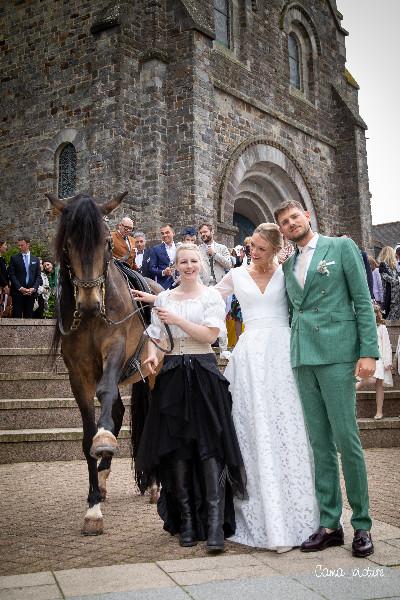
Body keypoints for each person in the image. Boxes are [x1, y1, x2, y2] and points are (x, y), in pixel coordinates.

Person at [275, 199, 379, 558]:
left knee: (346, 439)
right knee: (319, 444)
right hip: (304, 357)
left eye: (294, 217)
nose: (291, 224)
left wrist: (368, 352)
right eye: (284, 223)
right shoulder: (288, 264)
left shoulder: (341, 246)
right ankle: (330, 523)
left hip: (337, 353)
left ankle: (362, 524)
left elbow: (362, 301)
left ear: (306, 215)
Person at [134, 244, 246, 552]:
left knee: (210, 450)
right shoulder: (166, 297)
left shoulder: (210, 296)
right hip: (172, 376)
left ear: (201, 264)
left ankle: (213, 526)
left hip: (204, 373)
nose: (188, 265)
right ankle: (185, 522)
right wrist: (152, 357)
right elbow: (155, 337)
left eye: (193, 260)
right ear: (175, 266)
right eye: (183, 261)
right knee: (178, 452)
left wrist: (177, 320)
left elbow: (210, 335)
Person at [215, 224, 319, 551]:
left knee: (290, 427)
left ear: (275, 248)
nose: (253, 252)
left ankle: (303, 515)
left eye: (260, 247)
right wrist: (157, 295)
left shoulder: (289, 272)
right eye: (251, 246)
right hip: (248, 359)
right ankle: (260, 515)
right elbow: (205, 296)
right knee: (252, 429)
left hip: (284, 354)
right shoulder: (236, 274)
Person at [356, 304, 393, 420]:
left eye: (374, 313)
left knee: (379, 386)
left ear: (377, 315)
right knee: (372, 378)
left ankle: (379, 411)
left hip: (380, 359)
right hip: (368, 358)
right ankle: (358, 384)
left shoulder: (381, 328)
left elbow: (386, 345)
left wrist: (387, 361)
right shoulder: (364, 328)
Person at [149, 224, 176, 289]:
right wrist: (163, 272)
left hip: (180, 285)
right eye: (162, 233)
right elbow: (151, 269)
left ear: (173, 233)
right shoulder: (155, 249)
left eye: (167, 232)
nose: (164, 235)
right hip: (164, 286)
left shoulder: (180, 248)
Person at [378, 246, 400, 320]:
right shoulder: (383, 265)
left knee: (395, 314)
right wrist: (398, 281)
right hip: (390, 294)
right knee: (390, 315)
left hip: (396, 294)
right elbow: (387, 278)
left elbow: (397, 276)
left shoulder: (393, 266)